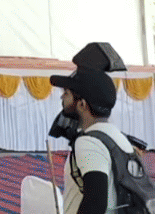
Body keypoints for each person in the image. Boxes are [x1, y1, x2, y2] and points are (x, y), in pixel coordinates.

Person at [50, 66, 132, 214]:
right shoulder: (116, 136)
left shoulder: (88, 142)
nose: (62, 98)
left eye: (66, 93)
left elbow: (95, 203)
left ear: (82, 104)